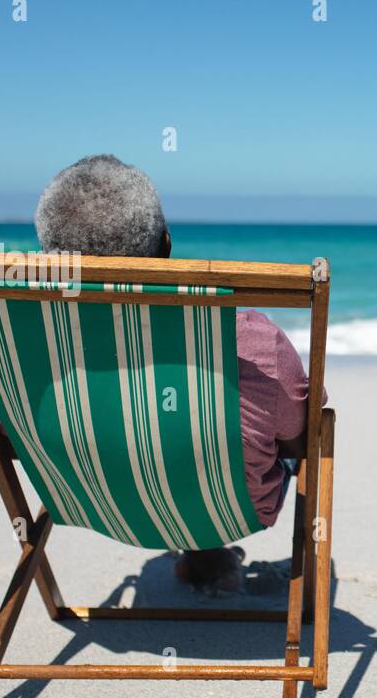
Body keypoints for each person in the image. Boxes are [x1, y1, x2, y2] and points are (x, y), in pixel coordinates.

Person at [33, 154, 315, 592]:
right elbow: (299, 429)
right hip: (229, 507)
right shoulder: (250, 344)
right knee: (240, 436)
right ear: (165, 247)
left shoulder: (21, 350)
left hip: (89, 500)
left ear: (49, 257)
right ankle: (204, 545)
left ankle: (204, 557)